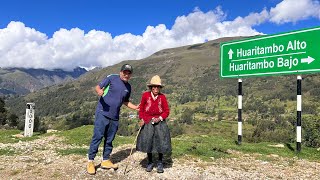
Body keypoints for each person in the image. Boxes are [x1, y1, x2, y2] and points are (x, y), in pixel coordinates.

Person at [87, 64, 139, 175]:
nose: (126, 74)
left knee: (109, 139)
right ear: (120, 72)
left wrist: (135, 107)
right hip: (102, 113)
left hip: (114, 116)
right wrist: (99, 91)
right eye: (125, 72)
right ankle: (90, 161)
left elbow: (125, 101)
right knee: (97, 137)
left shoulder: (128, 87)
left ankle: (105, 160)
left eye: (129, 73)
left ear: (130, 75)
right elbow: (98, 87)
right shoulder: (112, 78)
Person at [136, 75, 171, 173]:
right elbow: (141, 109)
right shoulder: (145, 96)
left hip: (159, 122)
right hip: (147, 121)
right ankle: (150, 162)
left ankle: (160, 162)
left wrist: (159, 118)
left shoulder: (162, 97)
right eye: (154, 87)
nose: (156, 89)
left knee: (161, 142)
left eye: (158, 87)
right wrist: (142, 118)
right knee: (149, 142)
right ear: (151, 87)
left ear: (160, 88)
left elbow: (166, 111)